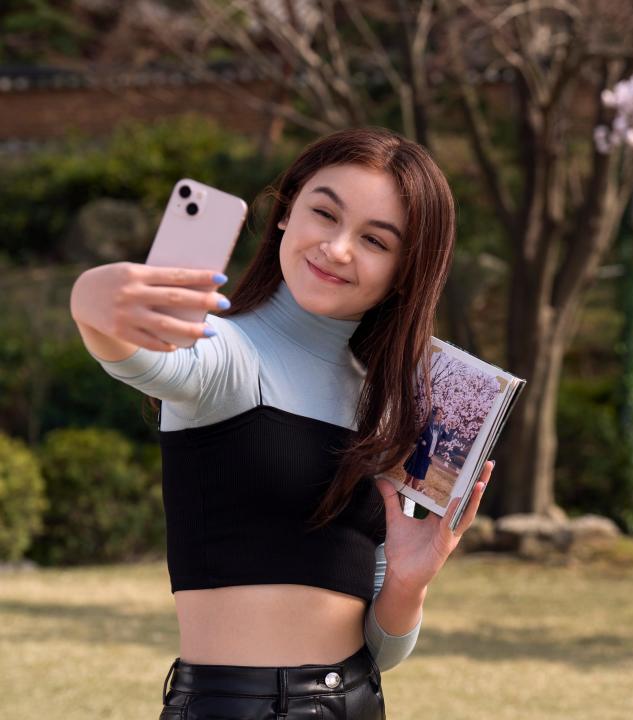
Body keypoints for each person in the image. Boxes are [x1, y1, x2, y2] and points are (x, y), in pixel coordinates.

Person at [69, 127, 495, 720]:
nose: (337, 248)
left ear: (405, 272)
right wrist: (93, 299)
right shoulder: (227, 353)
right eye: (325, 214)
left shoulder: (394, 407)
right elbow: (141, 356)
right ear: (286, 212)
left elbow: (383, 650)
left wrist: (408, 582)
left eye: (375, 239)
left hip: (359, 701)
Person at [403, 406, 453, 492]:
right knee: (408, 478)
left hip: (427, 456)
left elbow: (448, 438)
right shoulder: (427, 424)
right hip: (419, 454)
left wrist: (448, 428)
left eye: (442, 414)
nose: (441, 416)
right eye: (438, 414)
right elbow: (417, 435)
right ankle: (402, 490)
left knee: (417, 479)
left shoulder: (441, 428)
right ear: (433, 415)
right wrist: (422, 441)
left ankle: (412, 493)